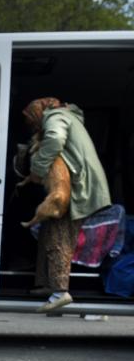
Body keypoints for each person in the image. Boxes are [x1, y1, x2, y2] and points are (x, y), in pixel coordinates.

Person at [22, 97, 111, 313]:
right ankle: (46, 285)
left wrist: (37, 169)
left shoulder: (56, 116)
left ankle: (60, 292)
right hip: (78, 185)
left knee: (58, 237)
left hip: (75, 189)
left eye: (33, 120)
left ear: (39, 113)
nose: (33, 125)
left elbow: (54, 139)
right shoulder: (69, 116)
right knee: (47, 232)